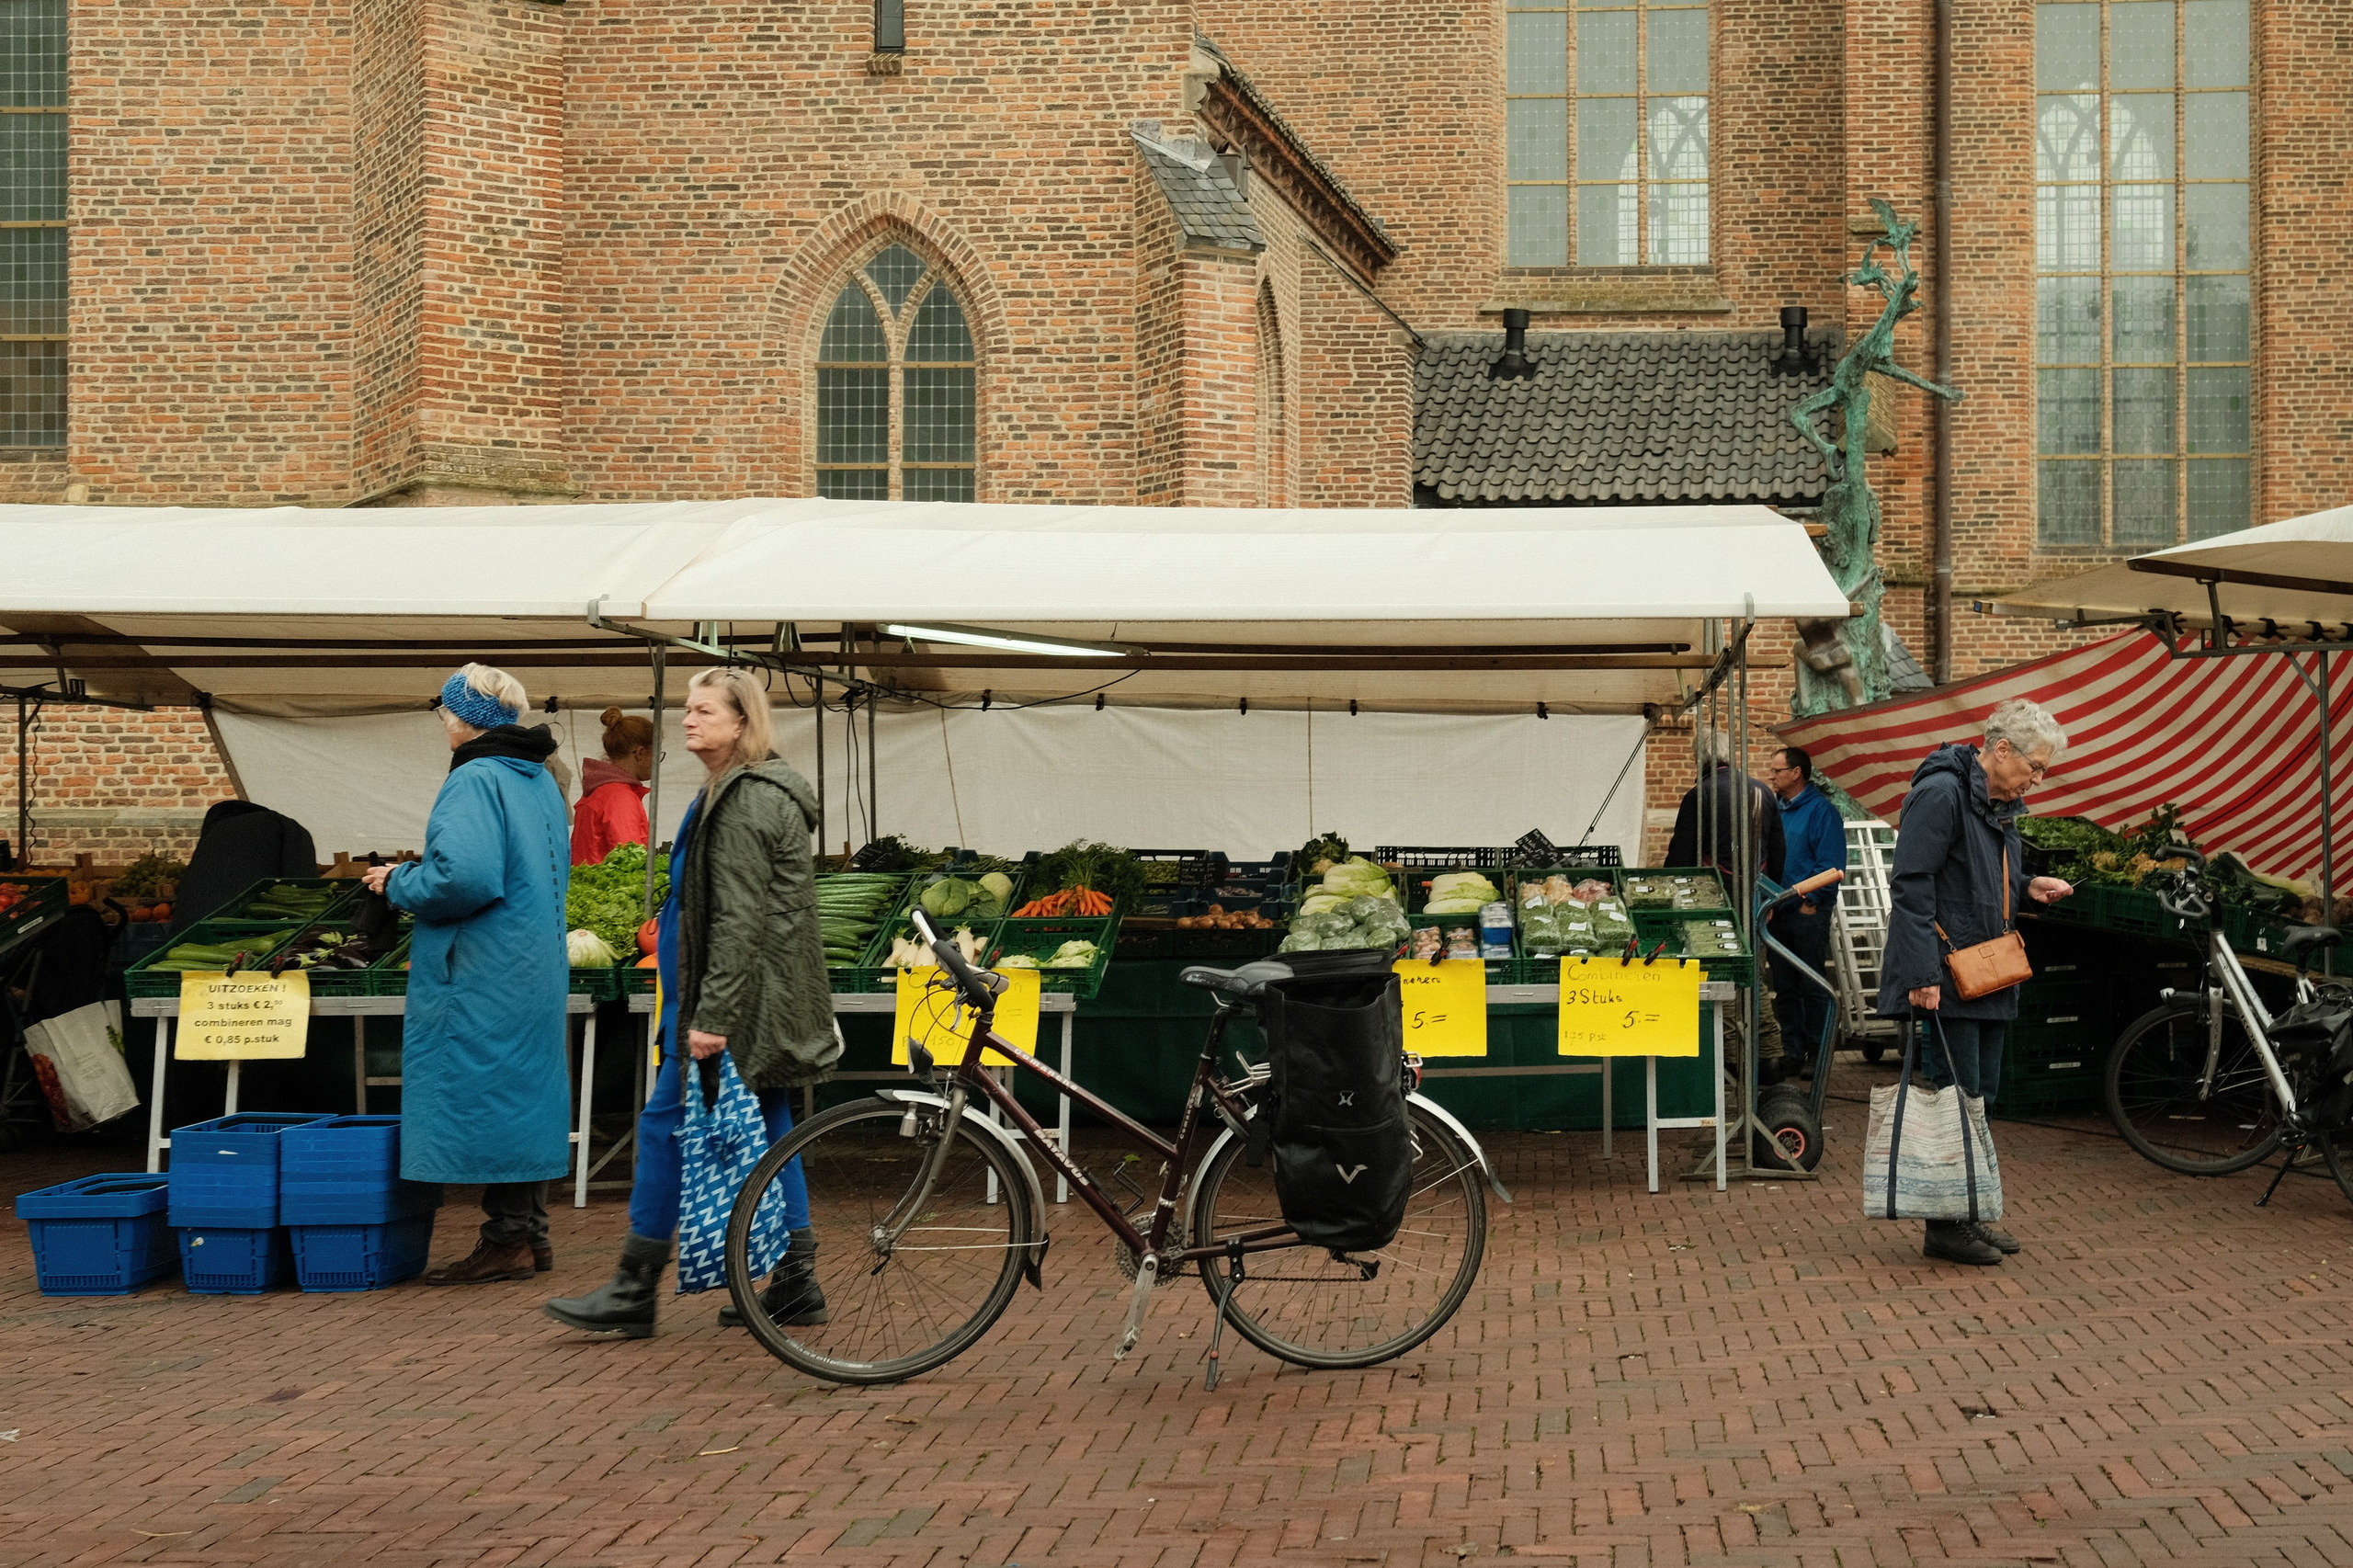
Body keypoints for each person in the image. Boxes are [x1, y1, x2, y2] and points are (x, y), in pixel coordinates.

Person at [546, 667, 843, 1339]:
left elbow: (738, 921)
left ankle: (633, 1287)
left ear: (743, 723)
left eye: (704, 710)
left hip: (730, 1009)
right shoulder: (725, 791)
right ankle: (797, 1279)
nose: (687, 719)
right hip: (742, 1002)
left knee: (661, 1129)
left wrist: (711, 1019)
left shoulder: (745, 801)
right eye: (686, 708)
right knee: (770, 1131)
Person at [361, 664, 573, 1285]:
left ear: (461, 719)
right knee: (523, 1099)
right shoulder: (537, 777)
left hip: (484, 968)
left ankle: (510, 1239)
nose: (442, 723)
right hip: (530, 962)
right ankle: (525, 1235)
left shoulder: (475, 778)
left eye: (445, 714)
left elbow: (466, 879)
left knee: (493, 1098)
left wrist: (398, 881)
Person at [1877, 698, 2076, 1267]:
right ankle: (1945, 1226)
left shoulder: (1995, 799)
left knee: (1979, 1095)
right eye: (2034, 766)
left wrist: (2032, 883)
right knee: (1954, 1099)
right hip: (1947, 971)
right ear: (2001, 749)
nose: (2037, 779)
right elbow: (1912, 885)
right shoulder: (1940, 794)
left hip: (1986, 968)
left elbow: (1986, 872)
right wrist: (1921, 975)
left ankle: (1968, 1211)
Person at [1665, 728, 1786, 1067]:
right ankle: (1771, 1054)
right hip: (1756, 898)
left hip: (1714, 899)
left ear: (1699, 758)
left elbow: (1680, 856)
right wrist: (1769, 899)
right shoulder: (1762, 791)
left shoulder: (1699, 795)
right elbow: (1778, 851)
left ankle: (1730, 1060)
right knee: (1752, 972)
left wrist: (1670, 895)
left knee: (1723, 972)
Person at [1763, 744, 1847, 1082]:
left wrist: (1810, 900)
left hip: (1806, 910)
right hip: (1776, 910)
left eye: (1777, 771)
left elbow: (1830, 865)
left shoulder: (1822, 812)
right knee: (1784, 986)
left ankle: (1817, 1049)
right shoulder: (1777, 811)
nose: (1772, 776)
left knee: (1812, 982)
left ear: (1796, 773)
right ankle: (1793, 1050)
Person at [572, 706, 654, 865]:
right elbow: (630, 861)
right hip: (609, 889)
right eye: (656, 755)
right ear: (640, 753)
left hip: (588, 885)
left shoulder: (598, 790)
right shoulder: (620, 797)